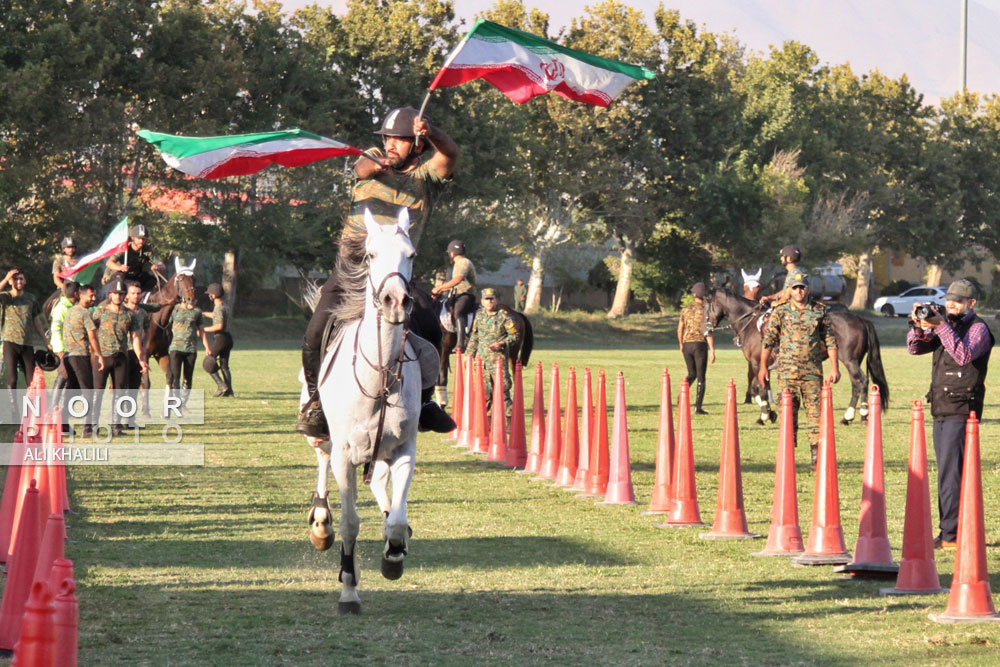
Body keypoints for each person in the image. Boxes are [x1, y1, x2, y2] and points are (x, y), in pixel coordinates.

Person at [298, 106, 458, 438]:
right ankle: (315, 403)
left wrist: (433, 132)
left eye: (398, 140)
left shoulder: (427, 177)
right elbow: (362, 168)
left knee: (430, 324)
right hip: (352, 271)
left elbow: (451, 153)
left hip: (398, 273)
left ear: (417, 144)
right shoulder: (373, 156)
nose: (390, 145)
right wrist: (379, 162)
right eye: (387, 139)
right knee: (315, 333)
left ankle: (425, 403)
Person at [907, 279, 994, 550]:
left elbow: (963, 354)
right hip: (942, 407)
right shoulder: (947, 324)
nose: (951, 304)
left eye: (957, 300)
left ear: (971, 303)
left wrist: (941, 325)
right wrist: (918, 326)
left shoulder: (978, 328)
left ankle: (951, 535)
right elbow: (914, 348)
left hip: (962, 410)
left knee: (952, 473)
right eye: (949, 299)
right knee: (947, 471)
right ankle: (951, 530)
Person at [759, 272, 840, 467]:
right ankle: (788, 459)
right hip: (787, 374)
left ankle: (816, 460)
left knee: (815, 416)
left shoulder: (819, 311)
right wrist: (762, 367)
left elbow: (830, 341)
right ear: (790, 290)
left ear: (808, 289)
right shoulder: (781, 311)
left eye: (802, 287)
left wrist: (835, 367)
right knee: (788, 416)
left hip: (812, 373)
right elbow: (768, 341)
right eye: (795, 288)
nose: (799, 291)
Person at [92, 277, 147, 436]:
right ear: (110, 294)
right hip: (103, 357)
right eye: (115, 293)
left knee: (120, 392)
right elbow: (90, 330)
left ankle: (116, 426)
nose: (118, 296)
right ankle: (94, 425)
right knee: (98, 392)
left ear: (125, 296)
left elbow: (135, 338)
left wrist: (141, 359)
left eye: (121, 293)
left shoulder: (130, 315)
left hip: (121, 358)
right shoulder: (100, 311)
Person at [466, 288, 517, 417]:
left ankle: (509, 422)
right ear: (482, 301)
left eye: (492, 299)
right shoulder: (479, 315)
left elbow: (514, 336)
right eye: (486, 299)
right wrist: (468, 355)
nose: (489, 302)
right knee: (485, 393)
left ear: (496, 300)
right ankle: (487, 423)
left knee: (503, 391)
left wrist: (501, 344)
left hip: (498, 361)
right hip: (482, 361)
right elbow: (475, 336)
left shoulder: (504, 316)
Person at [62, 284, 99, 436]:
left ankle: (63, 424)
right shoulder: (85, 313)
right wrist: (99, 354)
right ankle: (88, 428)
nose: (94, 298)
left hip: (68, 356)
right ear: (80, 295)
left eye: (94, 295)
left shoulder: (70, 311)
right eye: (91, 296)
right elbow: (92, 336)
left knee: (72, 391)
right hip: (80, 355)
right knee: (88, 390)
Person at [0, 268, 46, 392]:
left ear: (25, 281)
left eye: (21, 279)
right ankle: (14, 410)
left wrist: (46, 340)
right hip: (10, 342)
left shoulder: (30, 298)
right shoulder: (5, 297)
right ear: (10, 282)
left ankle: (30, 409)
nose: (18, 281)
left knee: (32, 381)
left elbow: (36, 320)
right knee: (12, 380)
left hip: (27, 343)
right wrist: (5, 278)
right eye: (15, 279)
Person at [430, 239, 477, 353]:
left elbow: (457, 280)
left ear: (452, 253)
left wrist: (440, 288)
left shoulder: (464, 262)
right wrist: (439, 292)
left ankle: (461, 344)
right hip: (456, 294)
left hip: (466, 294)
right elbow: (453, 285)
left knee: (458, 312)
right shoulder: (458, 263)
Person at [677, 283, 716, 415]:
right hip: (700, 344)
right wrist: (712, 350)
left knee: (691, 374)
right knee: (701, 377)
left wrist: (681, 343)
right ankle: (698, 408)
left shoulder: (685, 309)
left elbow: (680, 328)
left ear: (694, 294)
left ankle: (681, 396)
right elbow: (707, 332)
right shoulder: (706, 310)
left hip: (687, 344)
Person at [124, 281, 161, 419]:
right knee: (122, 387)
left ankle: (130, 418)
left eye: (138, 293)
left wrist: (143, 347)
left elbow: (146, 330)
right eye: (132, 293)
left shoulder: (143, 313)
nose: (136, 296)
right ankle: (118, 418)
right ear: (126, 295)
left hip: (137, 352)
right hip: (122, 352)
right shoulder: (121, 310)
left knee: (135, 386)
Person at [167, 291, 209, 410]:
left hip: (191, 349)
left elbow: (201, 330)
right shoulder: (175, 310)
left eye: (194, 299)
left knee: (187, 378)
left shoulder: (197, 312)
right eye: (189, 299)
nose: (192, 302)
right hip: (175, 348)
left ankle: (183, 404)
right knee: (175, 377)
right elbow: (166, 325)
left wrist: (207, 347)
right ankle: (176, 403)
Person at [49, 280, 80, 427]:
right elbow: (56, 330)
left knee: (69, 383)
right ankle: (54, 413)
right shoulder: (62, 308)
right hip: (64, 350)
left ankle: (61, 418)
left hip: (73, 350)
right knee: (63, 380)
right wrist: (60, 351)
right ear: (76, 294)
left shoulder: (73, 306)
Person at [202, 282, 234, 397]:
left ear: (213, 295)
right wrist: (205, 314)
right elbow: (217, 315)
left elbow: (219, 326)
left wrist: (204, 330)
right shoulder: (224, 305)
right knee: (224, 366)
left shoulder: (218, 307)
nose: (209, 296)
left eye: (209, 294)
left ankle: (221, 386)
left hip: (220, 338)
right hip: (228, 338)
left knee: (208, 362)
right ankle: (229, 392)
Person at [106, 224, 159, 293]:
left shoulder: (147, 249)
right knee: (119, 278)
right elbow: (109, 263)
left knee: (153, 280)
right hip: (121, 275)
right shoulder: (124, 247)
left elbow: (161, 265)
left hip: (136, 276)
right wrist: (120, 268)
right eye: (139, 238)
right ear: (133, 238)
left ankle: (144, 298)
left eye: (143, 239)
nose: (141, 241)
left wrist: (157, 267)